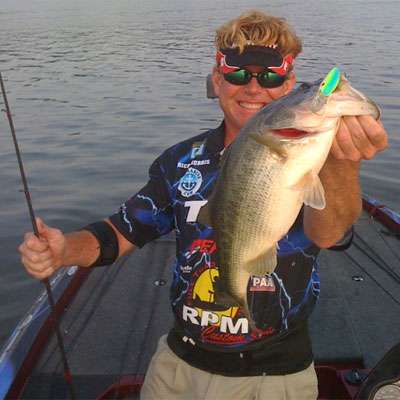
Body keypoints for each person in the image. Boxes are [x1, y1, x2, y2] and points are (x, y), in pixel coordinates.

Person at [19, 10, 388, 400]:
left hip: (274, 375)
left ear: (289, 85)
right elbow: (121, 231)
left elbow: (328, 234)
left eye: (269, 76)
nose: (253, 88)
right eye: (238, 74)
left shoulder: (322, 158)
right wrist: (63, 250)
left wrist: (343, 165)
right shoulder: (180, 161)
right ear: (217, 80)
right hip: (178, 366)